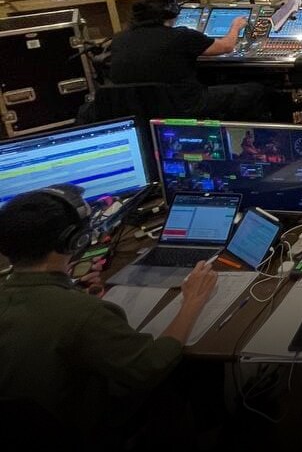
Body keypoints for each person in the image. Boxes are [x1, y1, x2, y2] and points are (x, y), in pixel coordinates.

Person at [0, 185, 217, 437]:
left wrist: (70, 290)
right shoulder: (84, 313)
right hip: (84, 430)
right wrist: (192, 301)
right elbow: (151, 366)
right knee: (193, 370)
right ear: (75, 240)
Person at [107, 0, 266, 120]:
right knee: (255, 90)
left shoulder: (119, 39)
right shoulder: (180, 36)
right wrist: (236, 26)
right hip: (185, 106)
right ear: (172, 11)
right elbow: (226, 46)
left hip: (140, 111)